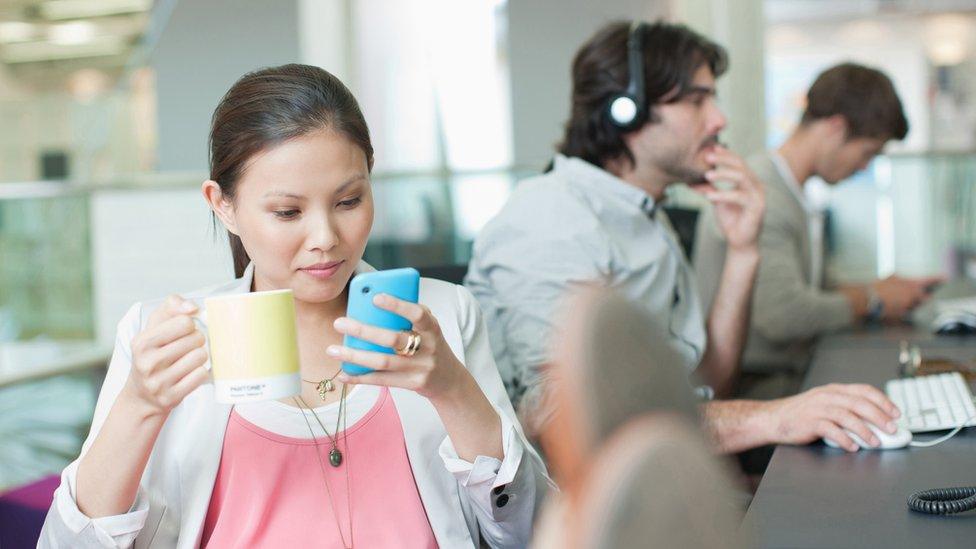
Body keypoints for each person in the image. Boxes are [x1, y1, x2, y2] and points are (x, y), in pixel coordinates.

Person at [40, 64, 549, 548]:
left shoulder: (443, 318)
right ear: (223, 205)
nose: (326, 238)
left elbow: (534, 532)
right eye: (288, 212)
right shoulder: (167, 337)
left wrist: (453, 390)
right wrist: (141, 405)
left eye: (349, 201)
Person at [465, 21, 902, 454]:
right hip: (589, 512)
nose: (719, 119)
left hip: (664, 482)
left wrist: (743, 253)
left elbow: (709, 384)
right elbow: (571, 423)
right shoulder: (550, 221)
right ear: (626, 110)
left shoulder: (648, 218)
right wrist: (774, 418)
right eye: (697, 101)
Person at [694, 62, 942, 400]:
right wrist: (874, 301)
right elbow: (785, 315)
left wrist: (884, 289)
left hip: (786, 372)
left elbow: (817, 286)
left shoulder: (792, 192)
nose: (865, 167)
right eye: (867, 152)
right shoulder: (763, 194)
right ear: (836, 128)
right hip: (755, 387)